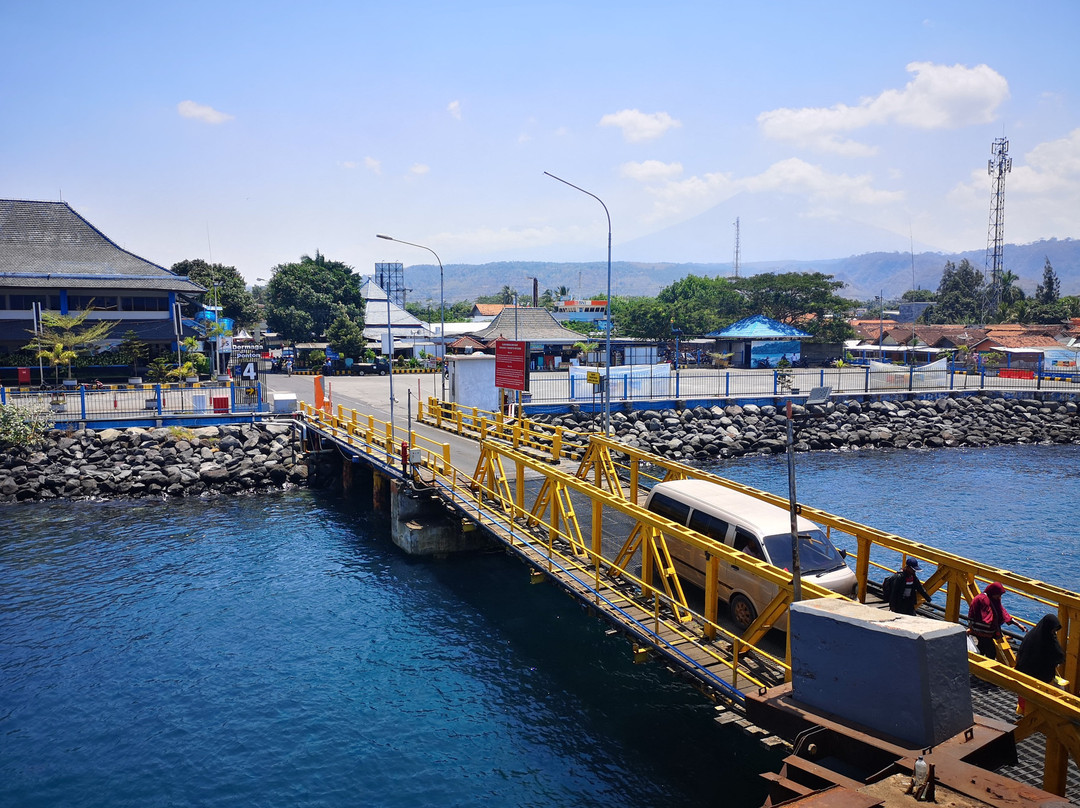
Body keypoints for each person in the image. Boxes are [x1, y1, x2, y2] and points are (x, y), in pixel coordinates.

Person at [1014, 614, 1066, 715]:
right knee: (1058, 689)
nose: (1053, 633)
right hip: (1038, 676)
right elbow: (1058, 655)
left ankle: (1023, 709)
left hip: (1022, 672)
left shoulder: (1032, 635)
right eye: (1053, 630)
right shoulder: (1048, 639)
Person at [968, 581, 1024, 659]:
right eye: (998, 595)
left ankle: (977, 660)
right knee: (990, 652)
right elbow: (984, 616)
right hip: (982, 631)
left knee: (983, 648)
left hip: (988, 632)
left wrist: (1018, 624)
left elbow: (1002, 612)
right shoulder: (981, 599)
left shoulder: (994, 600)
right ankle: (980, 665)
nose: (999, 597)